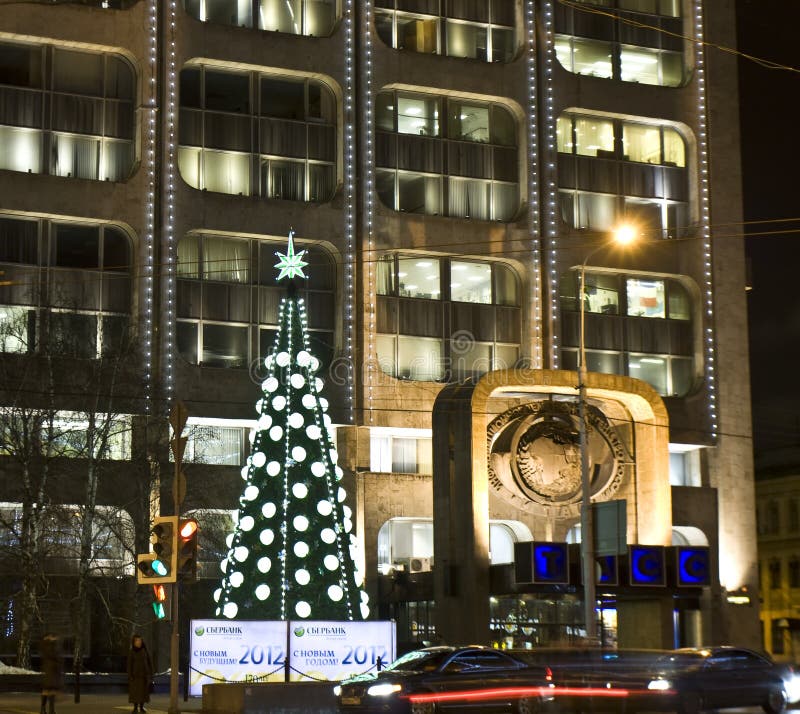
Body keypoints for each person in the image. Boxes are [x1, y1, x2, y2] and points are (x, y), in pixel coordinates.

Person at [126, 634, 153, 713]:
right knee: (135, 693)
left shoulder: (144, 650)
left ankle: (141, 707)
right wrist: (130, 675)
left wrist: (151, 672)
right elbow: (129, 664)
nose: (139, 642)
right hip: (135, 676)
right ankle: (135, 707)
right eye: (137, 641)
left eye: (140, 640)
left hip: (144, 676)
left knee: (143, 693)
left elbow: (149, 662)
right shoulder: (132, 652)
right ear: (134, 642)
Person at [40, 633, 62, 714]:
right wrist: (53, 642)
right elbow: (53, 655)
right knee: (50, 690)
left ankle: (44, 709)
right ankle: (50, 710)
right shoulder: (49, 645)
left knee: (47, 690)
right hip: (51, 669)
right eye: (53, 637)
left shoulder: (46, 644)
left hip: (49, 668)